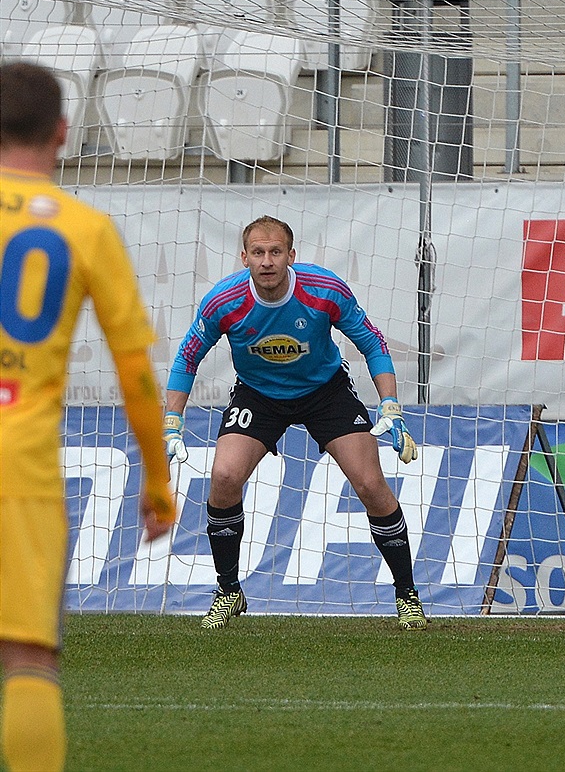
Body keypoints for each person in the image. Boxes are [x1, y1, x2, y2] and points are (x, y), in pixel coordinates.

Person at [0, 62, 176, 772]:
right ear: (63, 133)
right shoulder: (86, 228)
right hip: (21, 464)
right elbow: (135, 375)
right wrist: (157, 484)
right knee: (28, 657)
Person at [164, 214, 427, 632]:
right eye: (258, 253)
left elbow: (372, 342)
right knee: (225, 476)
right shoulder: (223, 301)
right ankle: (229, 591)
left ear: (291, 256)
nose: (267, 261)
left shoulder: (324, 289)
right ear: (244, 257)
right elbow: (187, 357)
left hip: (326, 392)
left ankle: (407, 595)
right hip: (258, 395)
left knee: (371, 484)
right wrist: (172, 422)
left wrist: (390, 404)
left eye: (275, 252)